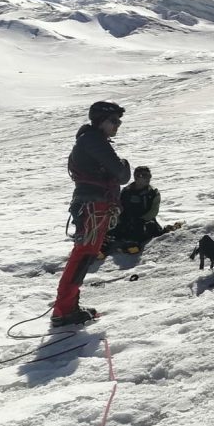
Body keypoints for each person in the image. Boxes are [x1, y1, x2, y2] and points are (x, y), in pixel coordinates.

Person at [52, 101, 131, 326]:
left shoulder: (90, 140)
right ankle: (64, 310)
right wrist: (124, 164)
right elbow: (122, 174)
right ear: (100, 121)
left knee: (84, 254)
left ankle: (67, 307)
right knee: (84, 255)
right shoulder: (93, 140)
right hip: (94, 206)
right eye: (113, 121)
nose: (118, 125)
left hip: (92, 204)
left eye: (119, 121)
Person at [104, 166, 167, 254]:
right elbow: (119, 206)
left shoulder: (153, 192)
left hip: (145, 221)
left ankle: (133, 245)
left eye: (149, 176)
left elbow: (154, 211)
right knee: (114, 230)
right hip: (127, 220)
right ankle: (103, 247)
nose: (148, 179)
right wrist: (119, 219)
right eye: (145, 176)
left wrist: (142, 219)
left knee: (141, 228)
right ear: (137, 177)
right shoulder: (126, 191)